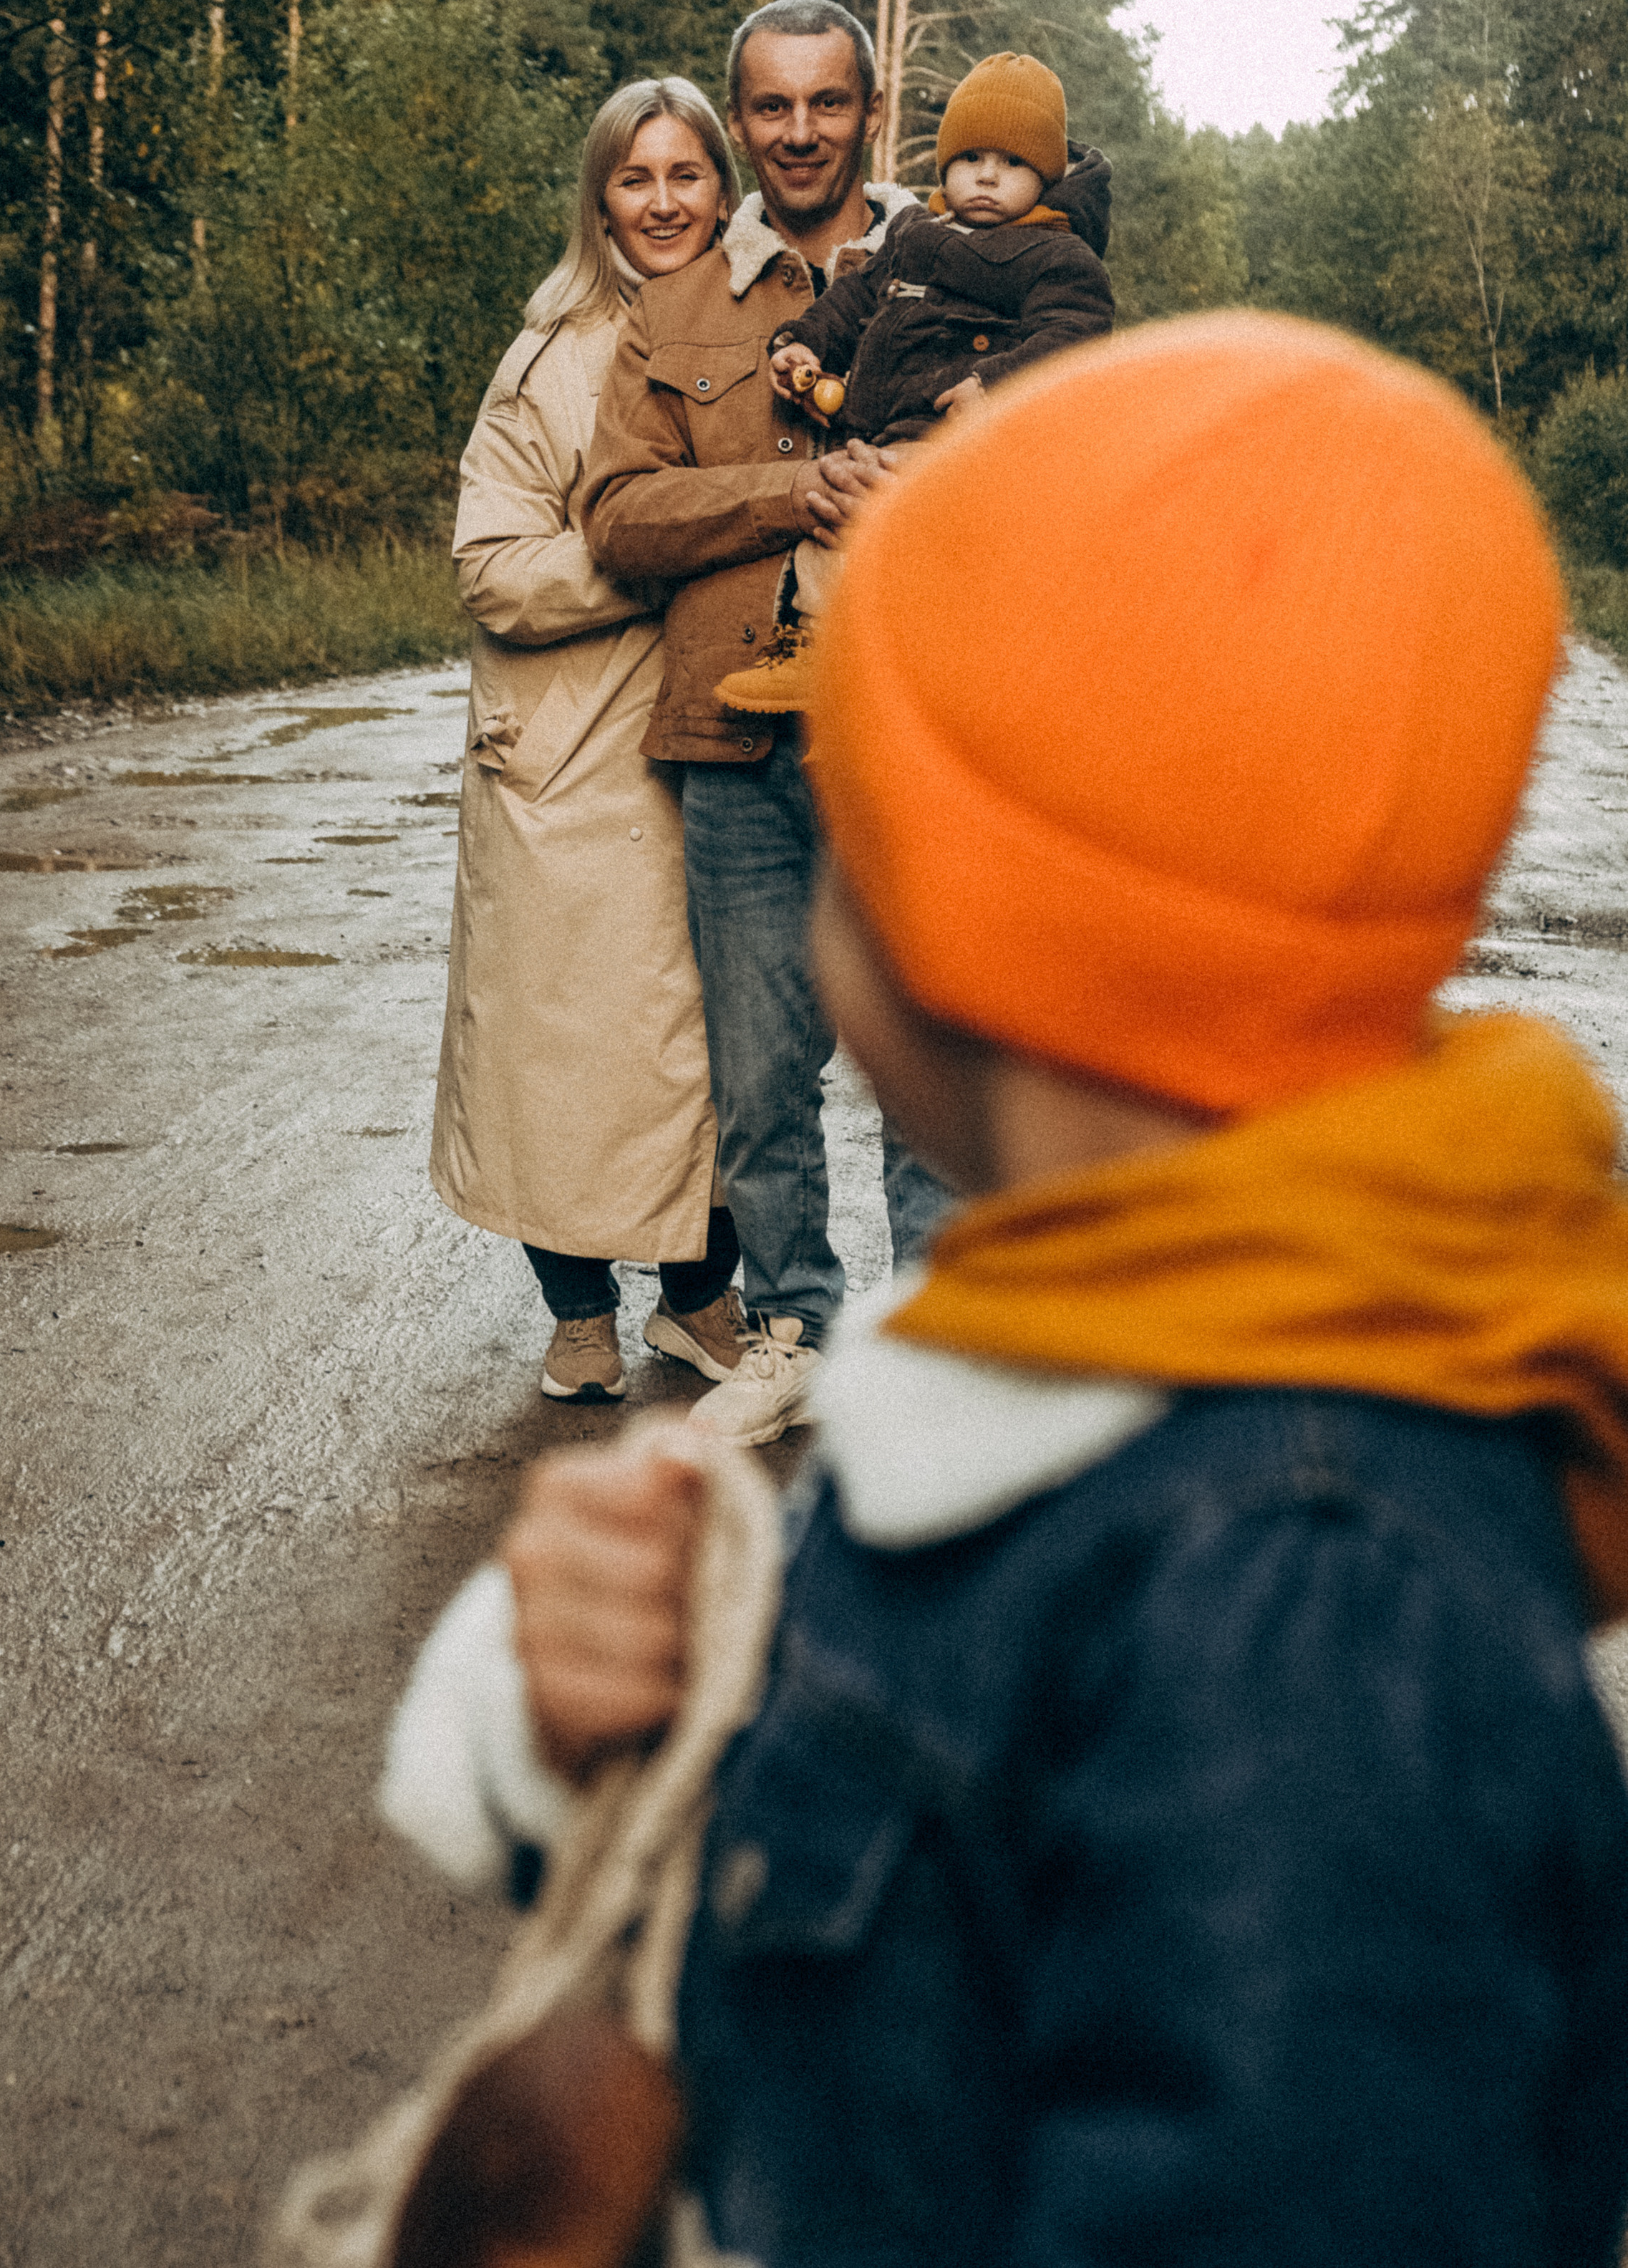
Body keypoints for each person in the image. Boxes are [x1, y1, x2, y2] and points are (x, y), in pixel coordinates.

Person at [401, 312, 1628, 2263]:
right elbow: (932, 1907)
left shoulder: (1304, 1620)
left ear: (938, 925)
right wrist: (599, 1720)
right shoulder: (1080, 1371)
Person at [581, 0, 951, 1448]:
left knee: (924, 1053)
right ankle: (792, 1325)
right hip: (735, 743)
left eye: (827, 102)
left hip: (917, 734)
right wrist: (785, 493)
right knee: (757, 1069)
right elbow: (615, 513)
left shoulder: (958, 266)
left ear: (871, 110)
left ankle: (932, 1344)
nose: (800, 129)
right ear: (741, 123)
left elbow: (1056, 447)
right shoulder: (671, 306)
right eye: (772, 106)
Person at [430, 77, 752, 1407]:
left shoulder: (764, 332)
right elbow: (494, 569)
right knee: (554, 1057)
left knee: (718, 1045)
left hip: (718, 743)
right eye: (638, 178)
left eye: (687, 177)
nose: (664, 202)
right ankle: (576, 1313)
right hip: (564, 765)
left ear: (722, 193)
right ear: (600, 198)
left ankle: (699, 1297)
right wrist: (657, 553)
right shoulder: (546, 358)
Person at [718, 51, 1113, 714]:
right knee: (828, 533)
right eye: (970, 159)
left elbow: (1077, 335)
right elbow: (851, 302)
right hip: (877, 430)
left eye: (1013, 163)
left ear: (1043, 177)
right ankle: (816, 657)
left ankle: (909, 690)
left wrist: (993, 382)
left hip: (963, 441)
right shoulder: (911, 234)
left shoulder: (1058, 255)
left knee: (924, 560)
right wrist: (801, 344)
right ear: (944, 166)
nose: (987, 176)